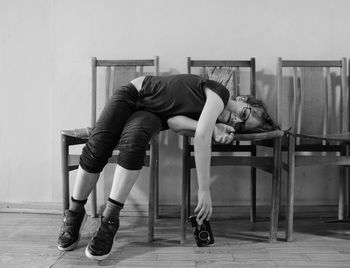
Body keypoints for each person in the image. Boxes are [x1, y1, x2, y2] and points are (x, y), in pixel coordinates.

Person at [57, 74, 278, 261]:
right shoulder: (220, 93)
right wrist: (204, 189)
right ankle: (75, 213)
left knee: (134, 144)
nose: (237, 119)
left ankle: (109, 221)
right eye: (245, 113)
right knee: (98, 146)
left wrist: (213, 127)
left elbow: (174, 123)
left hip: (152, 115)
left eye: (240, 125)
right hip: (135, 94)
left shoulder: (210, 117)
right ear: (241, 99)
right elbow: (201, 137)